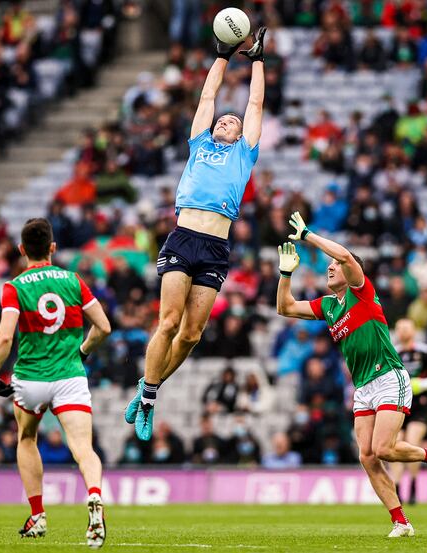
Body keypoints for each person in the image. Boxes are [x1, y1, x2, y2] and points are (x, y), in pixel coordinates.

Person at [275, 213, 427, 537]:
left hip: (389, 376)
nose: (330, 267)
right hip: (362, 386)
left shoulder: (362, 291)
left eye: (333, 266)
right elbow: (285, 308)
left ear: (348, 272)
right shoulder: (329, 306)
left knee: (385, 448)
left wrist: (307, 235)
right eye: (328, 266)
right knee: (368, 456)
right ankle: (401, 522)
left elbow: (344, 255)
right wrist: (285, 273)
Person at [125, 28, 267, 440]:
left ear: (242, 135)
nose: (227, 119)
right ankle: (149, 399)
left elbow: (255, 102)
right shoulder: (199, 142)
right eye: (224, 118)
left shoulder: (245, 153)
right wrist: (222, 56)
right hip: (184, 237)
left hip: (216, 247)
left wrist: (257, 60)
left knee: (191, 334)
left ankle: (147, 388)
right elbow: (208, 98)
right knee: (168, 322)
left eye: (233, 121)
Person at [0, 218, 111, 547]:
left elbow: (3, 339)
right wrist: (82, 351)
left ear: (22, 250)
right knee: (83, 447)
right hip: (70, 376)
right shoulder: (73, 280)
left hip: (31, 379)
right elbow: (104, 328)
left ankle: (38, 516)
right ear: (53, 248)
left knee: (26, 438)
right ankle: (95, 498)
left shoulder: (14, 286)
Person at [389, 318, 427, 504]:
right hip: (399, 404)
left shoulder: (424, 351)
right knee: (394, 445)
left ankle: (414, 484)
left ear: (414, 330)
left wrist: (425, 383)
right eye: (399, 328)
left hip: (420, 405)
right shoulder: (393, 352)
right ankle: (398, 487)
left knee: (412, 441)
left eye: (406, 327)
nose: (402, 331)